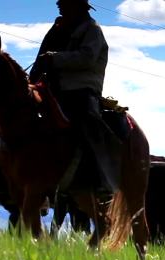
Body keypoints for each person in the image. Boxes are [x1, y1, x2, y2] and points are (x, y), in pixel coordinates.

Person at [29, 0, 120, 192]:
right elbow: (42, 55)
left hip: (81, 89)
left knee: (88, 121)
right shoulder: (58, 29)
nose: (60, 6)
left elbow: (87, 58)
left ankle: (103, 177)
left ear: (78, 7)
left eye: (64, 3)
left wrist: (55, 58)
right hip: (52, 87)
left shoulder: (92, 30)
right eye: (60, 3)